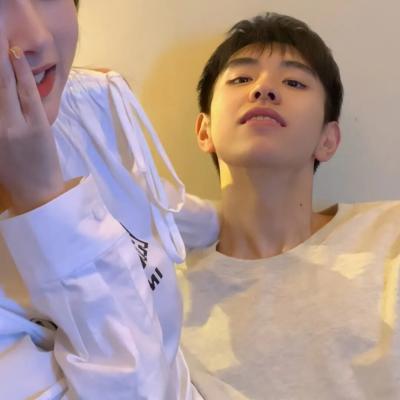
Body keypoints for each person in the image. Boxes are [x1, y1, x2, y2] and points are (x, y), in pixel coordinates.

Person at [0, 1, 218, 399]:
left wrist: (240, 219)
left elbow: (163, 209)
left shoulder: (88, 103)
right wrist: (45, 202)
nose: (38, 38)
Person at [178, 12, 400, 399]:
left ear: (328, 140)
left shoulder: (390, 237)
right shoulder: (158, 286)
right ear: (204, 130)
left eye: (294, 82)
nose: (264, 89)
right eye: (241, 79)